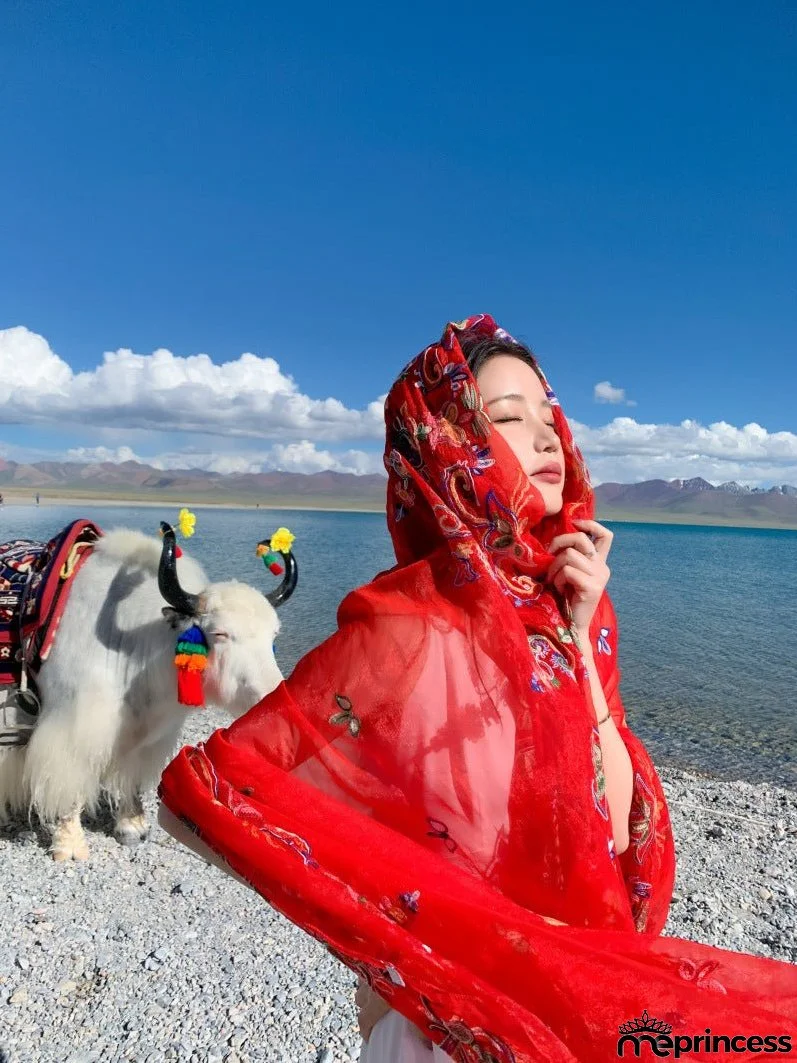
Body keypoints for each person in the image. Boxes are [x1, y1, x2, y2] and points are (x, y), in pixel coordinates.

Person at [159, 315, 797, 1061]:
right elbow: (203, 796)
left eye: (548, 414)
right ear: (449, 447)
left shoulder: (575, 610)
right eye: (507, 416)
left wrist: (577, 639)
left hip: (577, 994)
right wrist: (387, 934)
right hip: (451, 1024)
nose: (547, 435)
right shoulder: (406, 625)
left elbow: (616, 829)